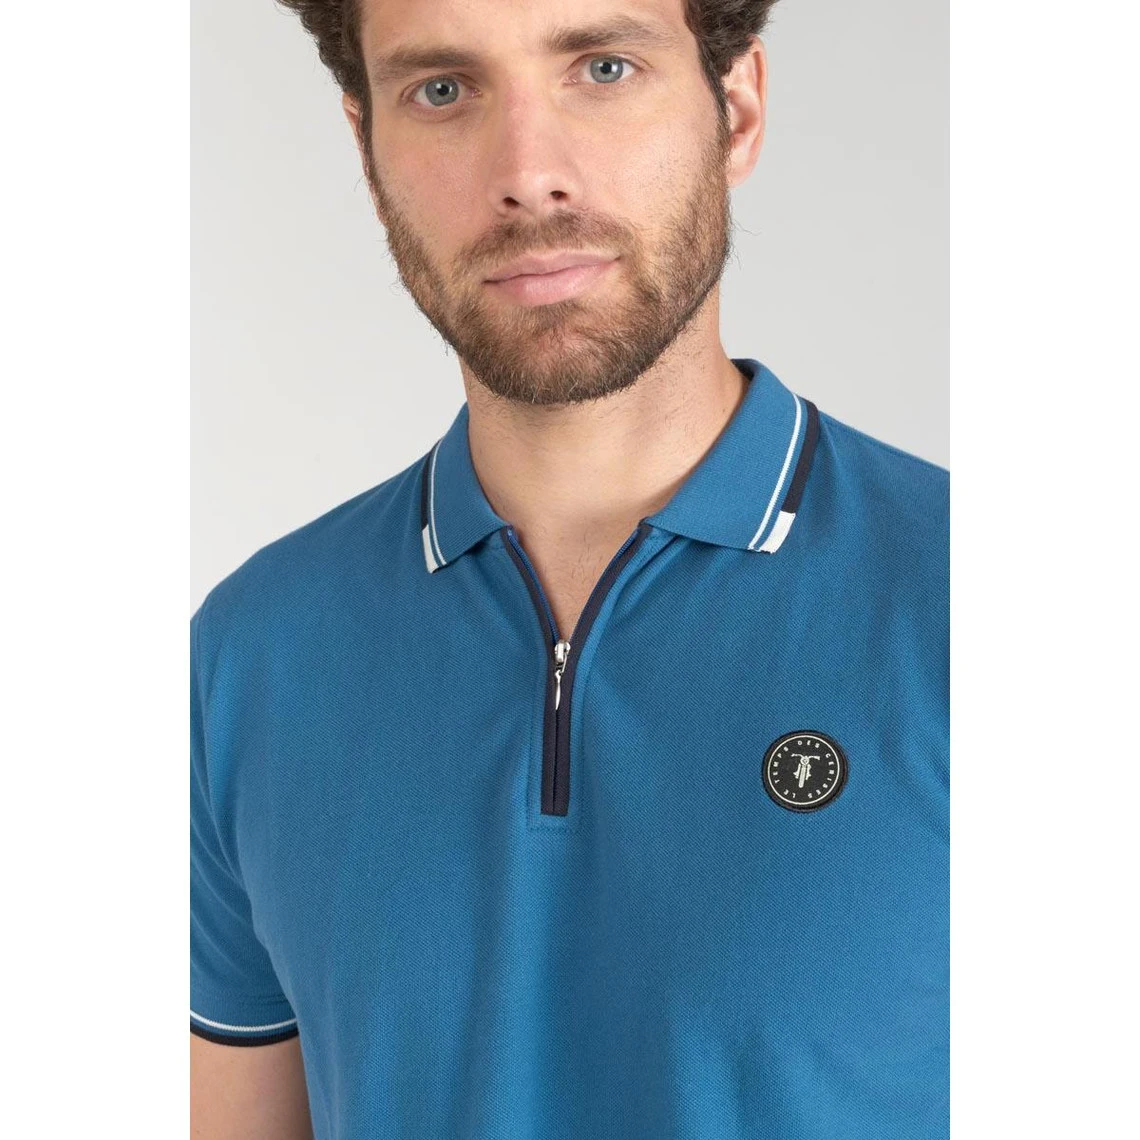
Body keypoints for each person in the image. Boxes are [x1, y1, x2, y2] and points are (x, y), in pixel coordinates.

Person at [190, 0, 949, 1136]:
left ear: (736, 110)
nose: (527, 175)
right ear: (367, 149)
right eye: (443, 90)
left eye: (603, 68)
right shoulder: (251, 655)